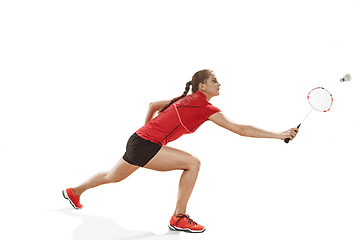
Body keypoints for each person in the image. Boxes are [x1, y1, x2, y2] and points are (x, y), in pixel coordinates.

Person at [62, 69, 298, 233]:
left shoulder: (185, 98)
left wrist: (146, 129)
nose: (219, 83)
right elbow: (240, 129)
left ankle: (74, 191)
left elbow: (152, 105)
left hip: (137, 140)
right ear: (202, 85)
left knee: (111, 177)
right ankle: (179, 217)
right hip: (145, 145)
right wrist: (279, 135)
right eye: (214, 80)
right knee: (193, 163)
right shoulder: (204, 106)